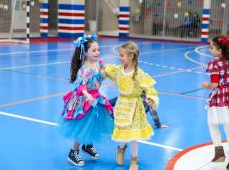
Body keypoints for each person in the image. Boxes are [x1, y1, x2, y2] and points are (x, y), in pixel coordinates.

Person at [60, 34, 114, 167]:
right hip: (84, 101)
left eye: (98, 50)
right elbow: (81, 84)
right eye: (94, 50)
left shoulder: (98, 64)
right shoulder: (84, 69)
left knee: (93, 123)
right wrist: (86, 94)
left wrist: (103, 74)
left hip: (95, 98)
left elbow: (100, 79)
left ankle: (87, 145)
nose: (97, 53)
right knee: (84, 125)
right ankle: (73, 151)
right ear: (85, 52)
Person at [104, 42, 159, 170]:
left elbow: (150, 88)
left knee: (133, 135)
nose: (119, 57)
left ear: (131, 56)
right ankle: (121, 149)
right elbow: (105, 70)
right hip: (121, 106)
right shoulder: (118, 70)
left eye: (122, 55)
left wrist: (152, 98)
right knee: (123, 131)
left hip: (135, 108)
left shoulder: (139, 74)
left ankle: (134, 160)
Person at [202, 35, 229, 169]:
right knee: (227, 125)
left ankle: (219, 153)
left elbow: (214, 84)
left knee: (212, 123)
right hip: (227, 96)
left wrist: (206, 85)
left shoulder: (214, 64)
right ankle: (220, 155)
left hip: (220, 98)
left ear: (219, 51)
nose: (209, 49)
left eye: (211, 47)